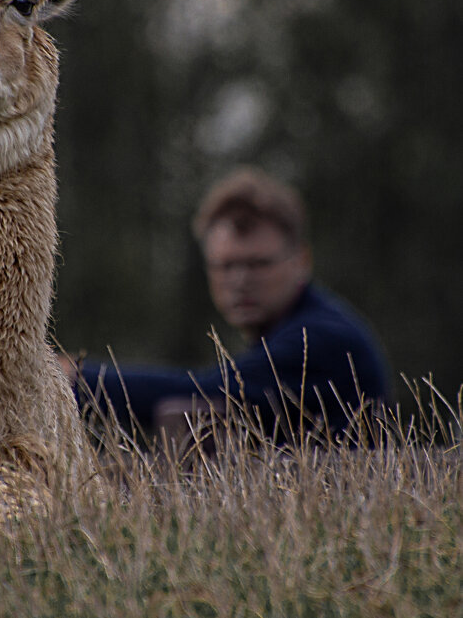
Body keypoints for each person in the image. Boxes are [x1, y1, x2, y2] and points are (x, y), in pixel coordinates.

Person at [69, 167, 390, 440]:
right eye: (225, 265)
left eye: (258, 264)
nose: (239, 280)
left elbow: (202, 392)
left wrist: (74, 379)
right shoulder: (295, 331)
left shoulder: (319, 341)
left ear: (301, 261)